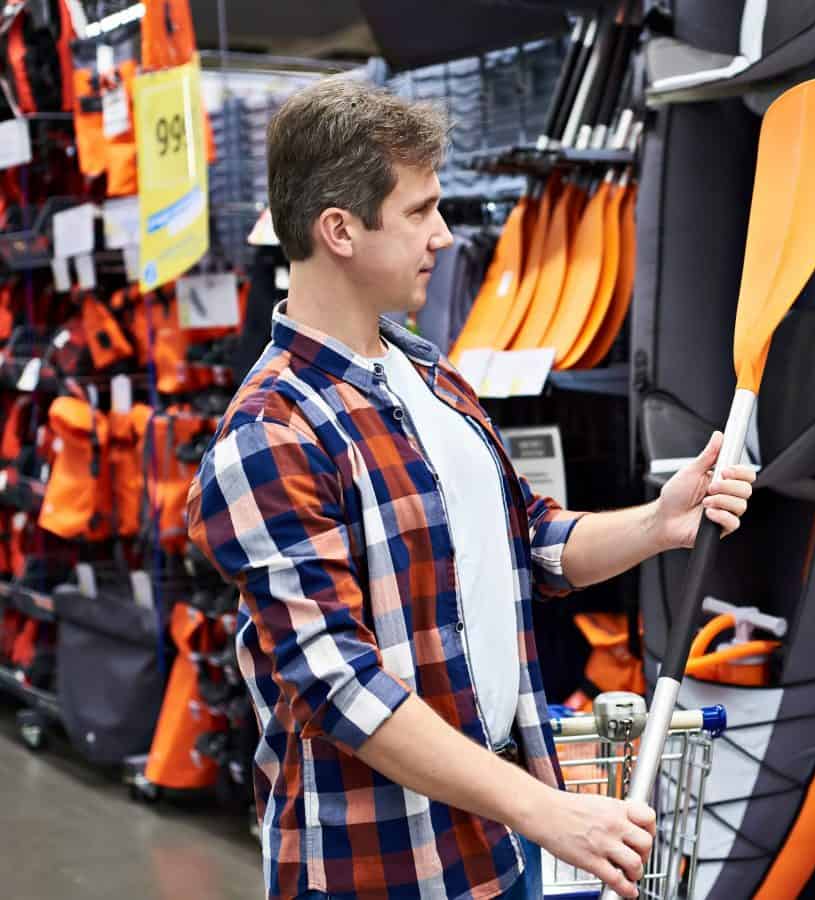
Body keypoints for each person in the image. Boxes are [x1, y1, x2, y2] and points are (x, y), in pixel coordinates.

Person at [186, 77, 756, 900]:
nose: (445, 236)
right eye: (420, 212)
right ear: (339, 229)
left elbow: (530, 541)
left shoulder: (428, 371)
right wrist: (545, 810)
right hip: (379, 866)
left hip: (492, 844)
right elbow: (340, 686)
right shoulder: (268, 437)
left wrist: (659, 523)